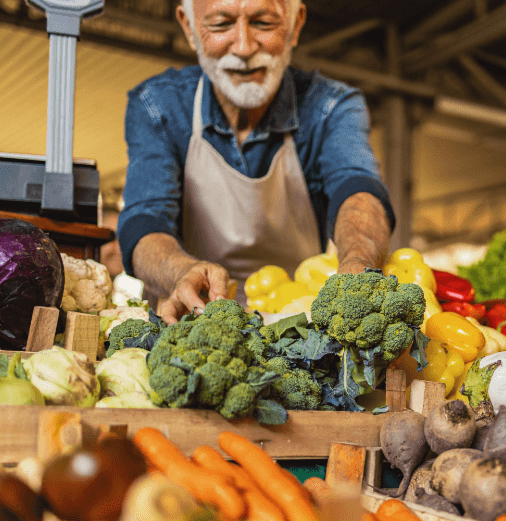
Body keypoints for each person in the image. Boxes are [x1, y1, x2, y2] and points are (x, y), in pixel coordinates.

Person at [117, 0, 395, 323]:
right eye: (221, 24)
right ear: (189, 28)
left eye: (263, 22)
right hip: (187, 324)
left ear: (296, 24)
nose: (245, 47)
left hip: (294, 330)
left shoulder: (331, 106)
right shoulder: (158, 106)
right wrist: (181, 270)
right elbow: (145, 220)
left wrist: (358, 261)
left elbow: (358, 191)